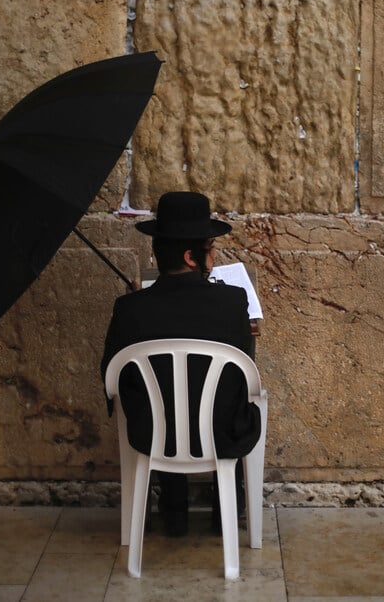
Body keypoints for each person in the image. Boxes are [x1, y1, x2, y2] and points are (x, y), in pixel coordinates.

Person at [100, 191, 261, 537]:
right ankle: (227, 514)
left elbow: (110, 379)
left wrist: (135, 304)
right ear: (191, 257)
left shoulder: (129, 308)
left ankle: (175, 514)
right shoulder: (233, 301)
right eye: (210, 249)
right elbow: (243, 370)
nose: (215, 256)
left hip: (151, 435)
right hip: (221, 436)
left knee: (167, 402)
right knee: (226, 399)